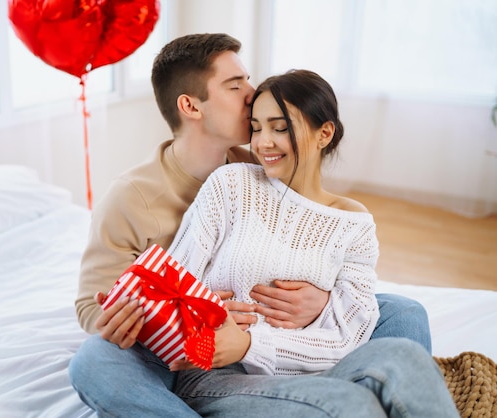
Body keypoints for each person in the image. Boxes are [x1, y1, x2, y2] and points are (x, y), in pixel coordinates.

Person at [69, 33, 444, 417]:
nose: (251, 93)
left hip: (283, 347)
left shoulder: (259, 168)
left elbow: (308, 220)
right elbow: (95, 303)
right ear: (190, 106)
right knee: (96, 358)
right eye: (236, 86)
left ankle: (313, 399)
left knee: (404, 313)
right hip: (197, 352)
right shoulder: (140, 195)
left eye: (277, 125)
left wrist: (325, 304)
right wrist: (166, 318)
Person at [167, 69, 380, 375]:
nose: (263, 143)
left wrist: (253, 343)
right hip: (218, 371)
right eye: (255, 128)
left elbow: (347, 338)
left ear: (325, 133)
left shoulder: (354, 224)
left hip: (310, 377)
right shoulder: (232, 183)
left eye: (279, 128)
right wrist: (204, 314)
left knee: (404, 335)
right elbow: (174, 283)